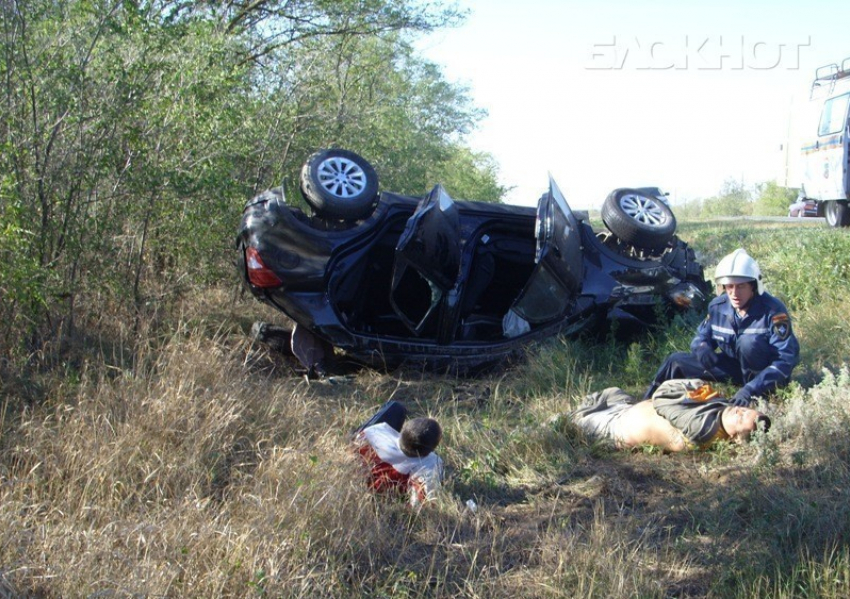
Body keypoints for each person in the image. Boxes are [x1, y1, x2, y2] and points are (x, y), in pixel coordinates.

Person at [644, 248, 799, 406]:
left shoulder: (773, 310)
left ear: (753, 286)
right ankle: (646, 404)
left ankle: (758, 400)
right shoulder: (717, 307)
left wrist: (751, 389)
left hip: (764, 377)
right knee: (675, 361)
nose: (734, 293)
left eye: (741, 286)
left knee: (748, 342)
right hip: (734, 368)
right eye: (729, 286)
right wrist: (702, 347)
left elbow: (786, 360)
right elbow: (701, 337)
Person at [571, 379, 771, 452]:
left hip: (614, 427)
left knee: (568, 423)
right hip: (627, 408)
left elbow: (661, 397)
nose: (739, 411)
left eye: (741, 419)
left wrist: (692, 384)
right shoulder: (721, 414)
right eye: (745, 410)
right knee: (612, 392)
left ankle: (570, 416)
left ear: (736, 438)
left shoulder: (700, 428)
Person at [353, 401, 444, 507]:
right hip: (389, 484)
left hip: (375, 455)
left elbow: (353, 447)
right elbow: (423, 503)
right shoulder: (430, 464)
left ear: (403, 429)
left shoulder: (376, 431)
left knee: (396, 407)